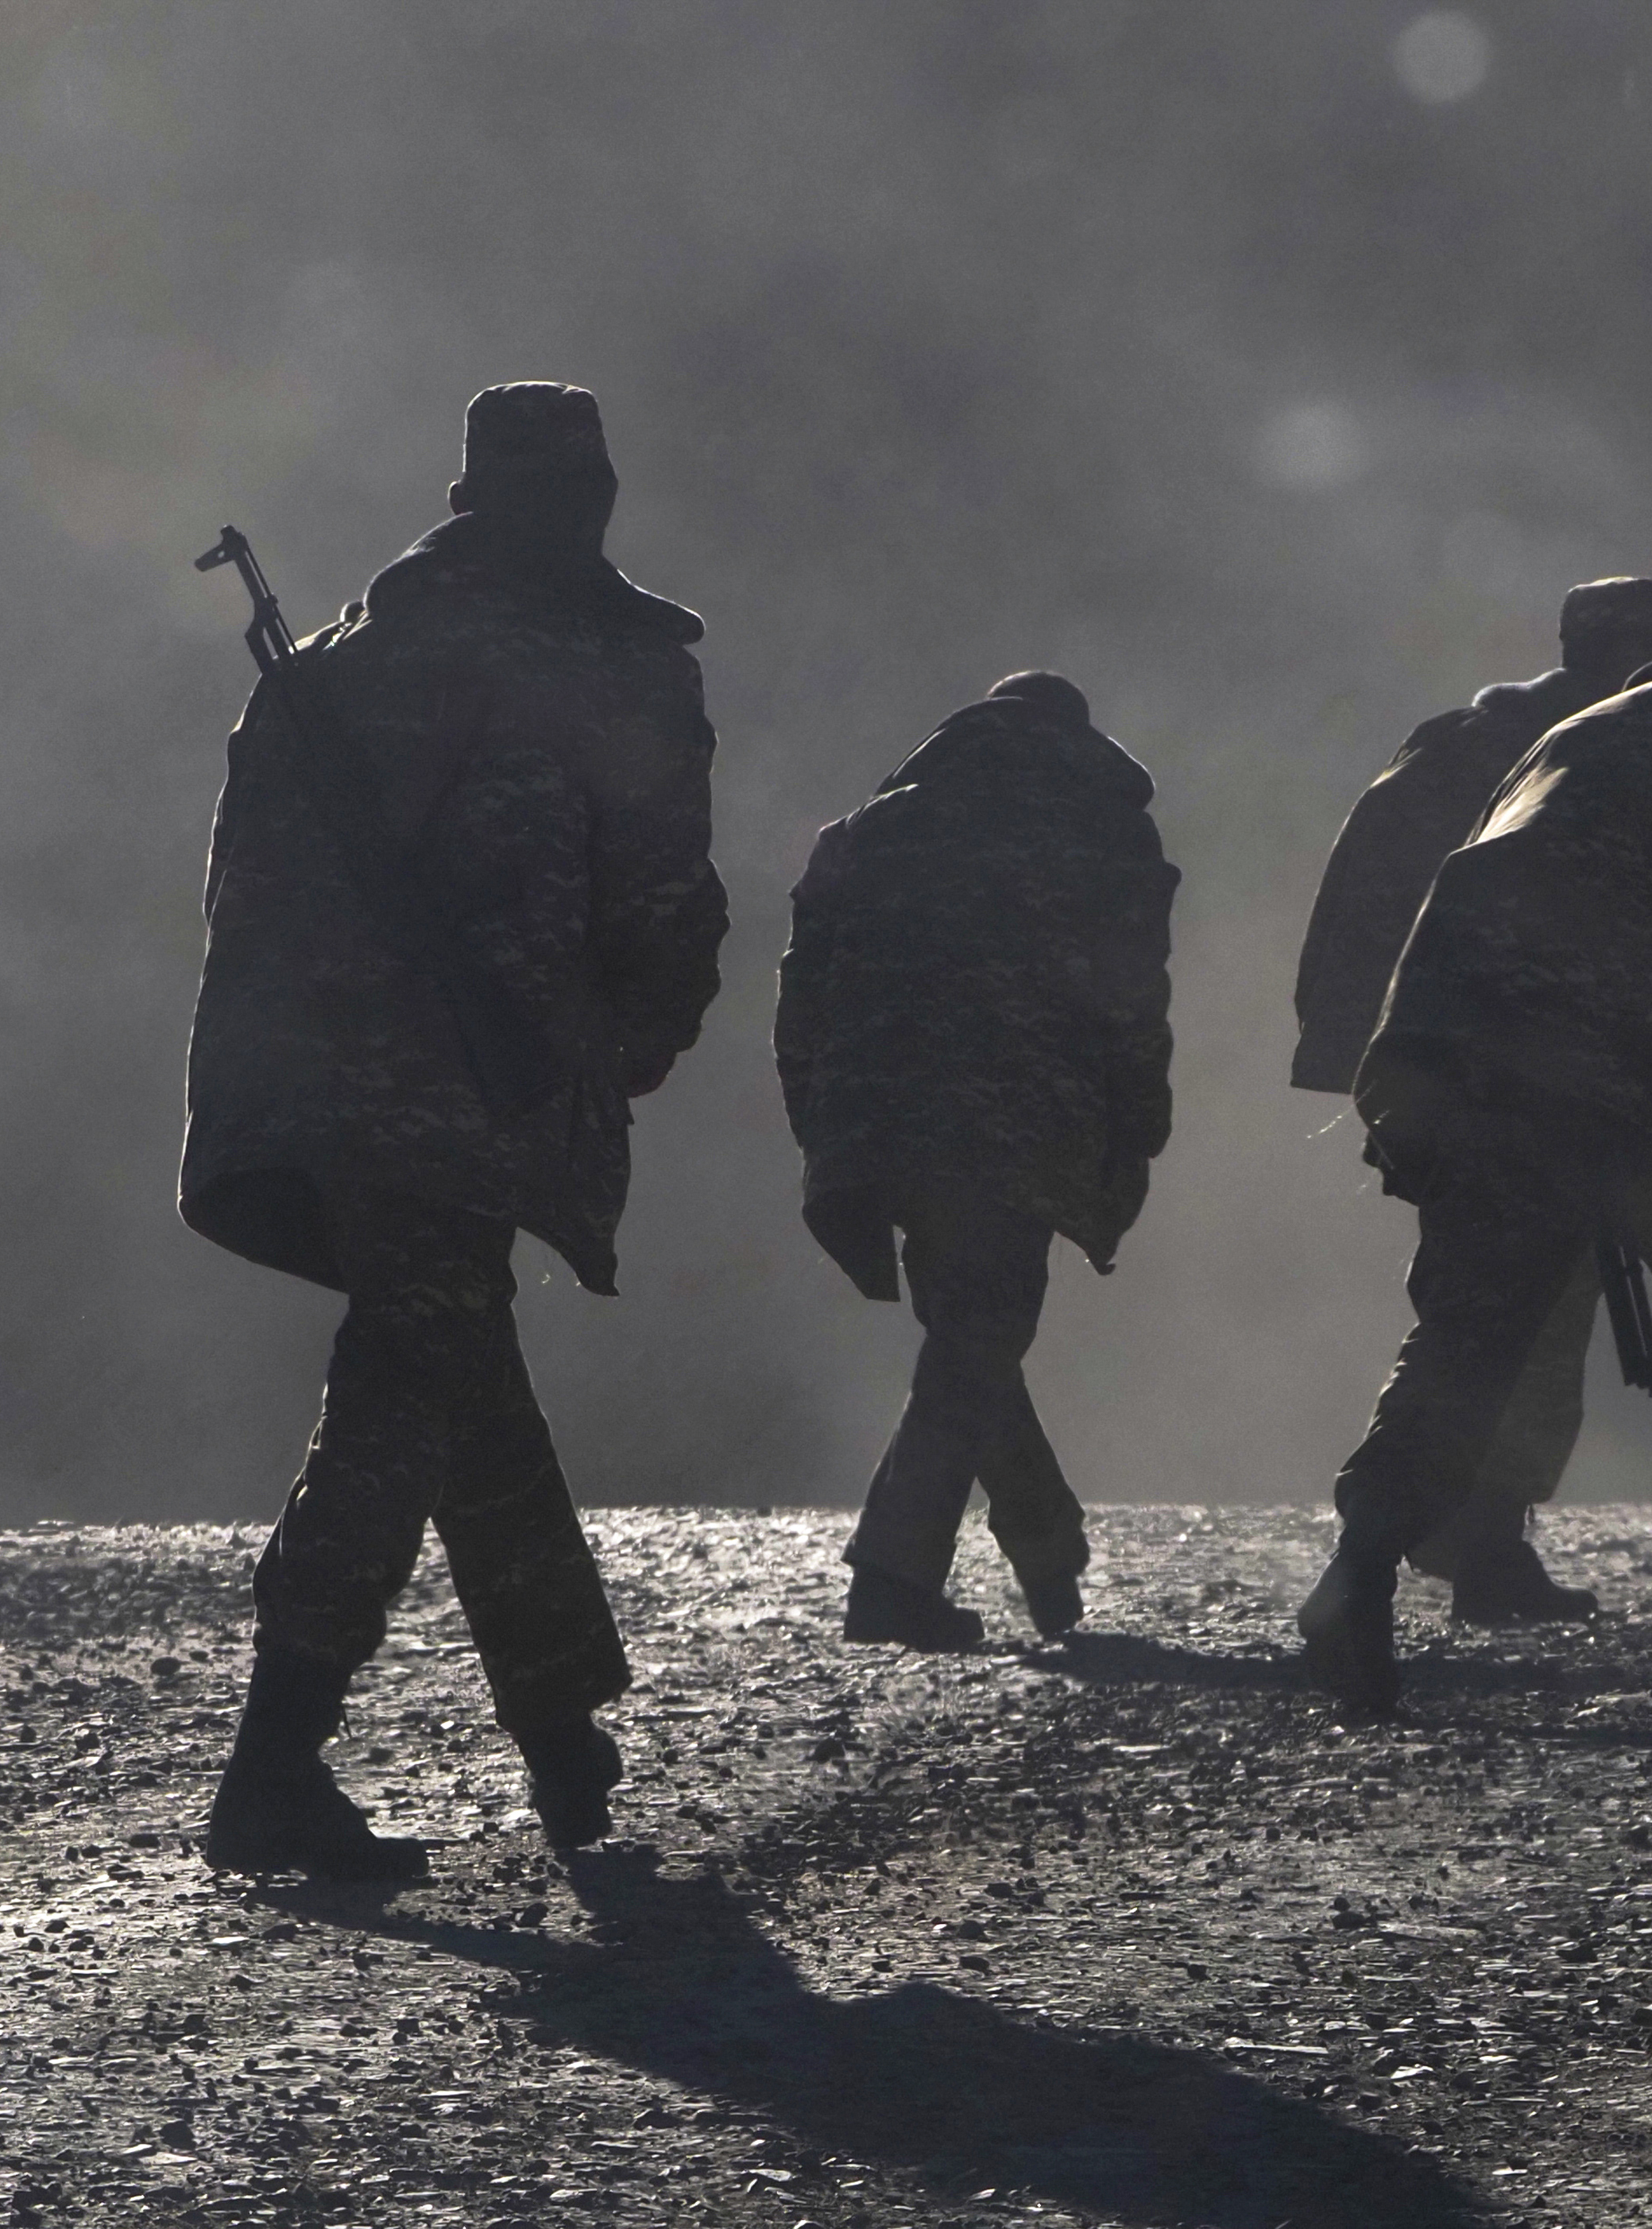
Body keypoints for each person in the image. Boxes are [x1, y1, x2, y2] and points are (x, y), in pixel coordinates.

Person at [183, 382, 729, 1876]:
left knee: (455, 1361)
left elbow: (244, 891)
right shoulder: (613, 663)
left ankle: (560, 1728)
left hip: (322, 1090)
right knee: (407, 1385)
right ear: (593, 496)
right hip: (473, 1092)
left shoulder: (348, 661)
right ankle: (273, 1766)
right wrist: (636, 1041)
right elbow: (665, 893)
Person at [1296, 594, 1652, 1714]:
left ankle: (1354, 1581)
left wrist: (1408, 1094)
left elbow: (1450, 897)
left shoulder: (1577, 730)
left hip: (1478, 1070)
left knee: (1465, 1340)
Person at [1289, 579, 1652, 1623]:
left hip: (1433, 1064)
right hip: (1526, 1074)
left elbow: (1356, 900)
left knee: (1488, 1291)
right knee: (1523, 1303)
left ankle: (1465, 1533)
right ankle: (1462, 1535)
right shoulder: (1598, 749)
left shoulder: (1461, 744)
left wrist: (1355, 1054)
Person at [778, 672, 1178, 1650]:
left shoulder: (866, 832)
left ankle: (1046, 1549)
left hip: (879, 1121)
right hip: (1017, 1129)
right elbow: (1129, 1009)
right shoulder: (1101, 837)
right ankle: (890, 1575)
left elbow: (802, 999)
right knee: (980, 1336)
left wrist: (823, 1128)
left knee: (971, 1336)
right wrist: (1135, 1133)